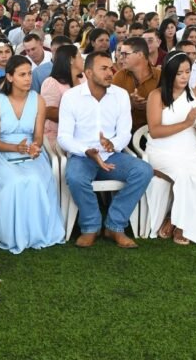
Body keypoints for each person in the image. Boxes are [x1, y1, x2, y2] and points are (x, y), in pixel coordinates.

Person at [58, 50, 152, 249]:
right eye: (104, 69)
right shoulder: (71, 97)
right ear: (88, 73)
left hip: (112, 156)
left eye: (111, 68)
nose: (110, 72)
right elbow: (64, 137)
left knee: (143, 170)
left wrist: (112, 144)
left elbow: (125, 133)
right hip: (83, 156)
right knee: (75, 177)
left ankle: (114, 225)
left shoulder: (120, 95)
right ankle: (91, 226)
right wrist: (87, 151)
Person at [0, 55, 63, 254]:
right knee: (15, 182)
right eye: (22, 74)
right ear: (10, 77)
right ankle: (14, 236)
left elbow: (38, 136)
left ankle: (37, 233)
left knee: (36, 179)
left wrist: (35, 146)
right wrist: (15, 148)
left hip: (30, 152)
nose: (28, 78)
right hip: (3, 152)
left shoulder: (38, 100)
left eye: (29, 74)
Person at [145, 52, 196, 245]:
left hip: (189, 151)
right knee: (184, 176)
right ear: (169, 73)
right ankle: (180, 225)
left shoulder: (195, 94)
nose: (185, 77)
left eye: (187, 71)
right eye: (179, 73)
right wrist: (187, 122)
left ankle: (176, 220)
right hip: (161, 151)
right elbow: (155, 131)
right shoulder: (156, 96)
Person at [112, 36, 160, 131]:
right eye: (121, 54)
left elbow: (171, 106)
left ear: (139, 54)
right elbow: (111, 108)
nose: (121, 58)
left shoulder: (160, 76)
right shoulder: (119, 77)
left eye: (125, 54)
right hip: (127, 131)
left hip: (156, 130)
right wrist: (131, 103)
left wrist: (151, 104)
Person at [40, 44, 83, 148]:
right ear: (71, 60)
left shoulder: (84, 78)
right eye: (80, 57)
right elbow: (49, 111)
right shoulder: (51, 82)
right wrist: (79, 116)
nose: (83, 60)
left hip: (82, 133)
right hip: (58, 136)